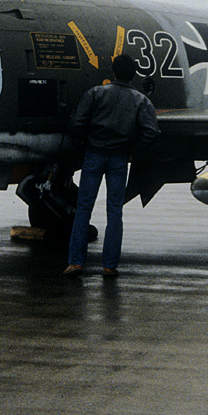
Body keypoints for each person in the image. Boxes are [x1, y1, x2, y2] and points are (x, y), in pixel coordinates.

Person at [64, 54, 159, 278]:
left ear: (112, 71)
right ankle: (109, 266)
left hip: (94, 155)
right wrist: (134, 151)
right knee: (115, 212)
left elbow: (77, 123)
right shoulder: (140, 100)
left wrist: (84, 143)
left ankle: (75, 263)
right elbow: (151, 131)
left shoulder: (96, 93)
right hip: (119, 159)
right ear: (133, 75)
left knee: (83, 209)